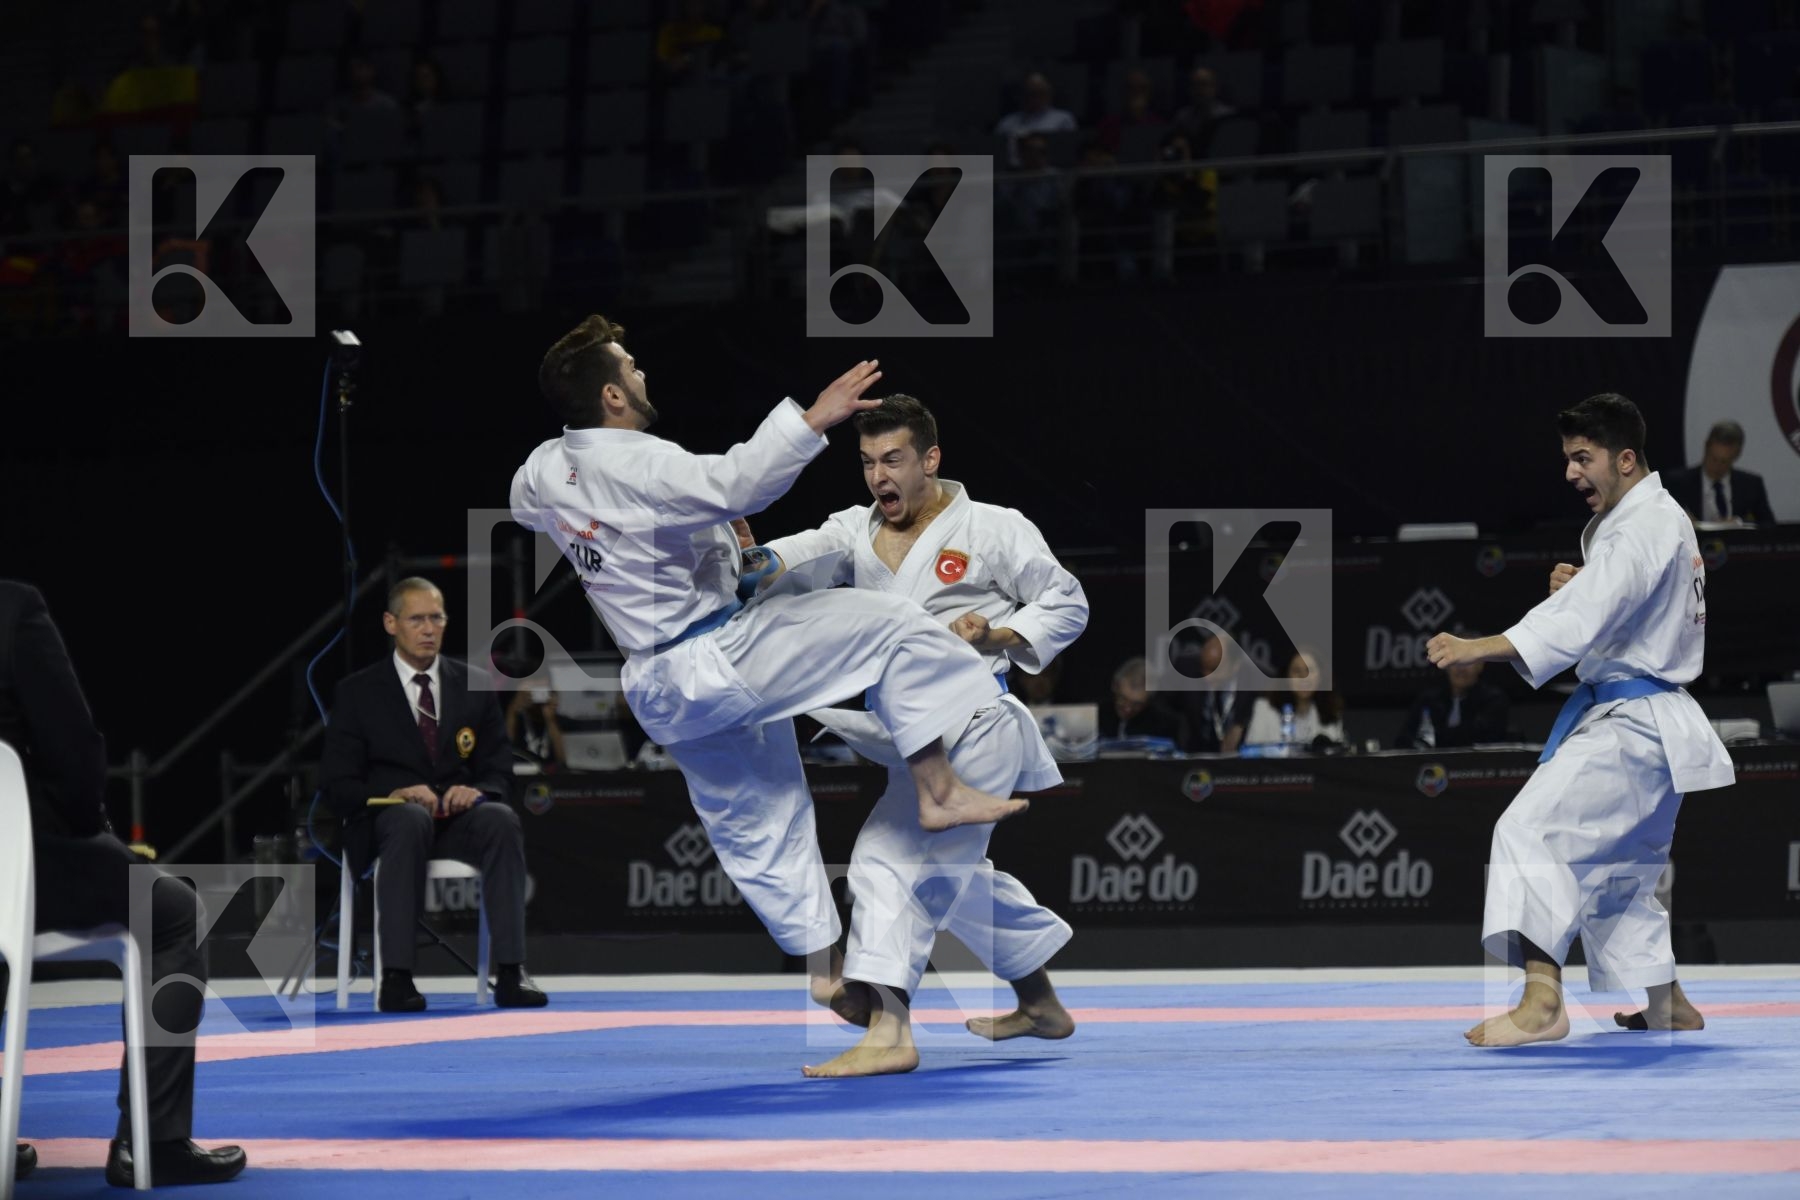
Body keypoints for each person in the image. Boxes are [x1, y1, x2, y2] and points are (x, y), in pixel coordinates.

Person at [510, 315, 1025, 1003]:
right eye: (629, 365)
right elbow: (737, 482)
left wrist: (710, 542)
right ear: (610, 395)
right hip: (720, 652)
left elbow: (535, 507)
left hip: (658, 686)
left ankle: (824, 973)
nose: (640, 372)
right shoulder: (640, 460)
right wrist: (814, 420)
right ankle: (937, 790)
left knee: (757, 821)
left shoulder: (544, 469)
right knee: (897, 624)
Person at [757, 393, 1088, 1077]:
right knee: (957, 880)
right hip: (911, 740)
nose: (880, 476)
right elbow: (794, 558)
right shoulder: (852, 531)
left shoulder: (994, 527)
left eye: (894, 459)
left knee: (890, 863)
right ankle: (1040, 1001)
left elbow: (1068, 600)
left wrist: (998, 632)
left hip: (978, 725)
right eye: (868, 461)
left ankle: (889, 1026)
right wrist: (749, 561)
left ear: (930, 459)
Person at [1425, 393, 1735, 1047]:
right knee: (1623, 874)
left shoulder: (1645, 524)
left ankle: (1542, 1001)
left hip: (1632, 723)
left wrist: (1483, 645)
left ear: (1626, 459)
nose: (1571, 473)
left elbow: (1592, 614)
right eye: (1568, 458)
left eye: (1582, 457)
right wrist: (1586, 589)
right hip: (1652, 723)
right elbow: (1617, 609)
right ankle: (1666, 1003)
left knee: (1529, 831)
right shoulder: (1647, 522)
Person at [0, 582, 246, 1186]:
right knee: (172, 909)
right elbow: (71, 746)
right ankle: (153, 1141)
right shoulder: (11, 609)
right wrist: (92, 831)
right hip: (18, 864)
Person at [318, 578, 548, 1012]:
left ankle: (513, 972)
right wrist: (397, 792)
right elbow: (337, 784)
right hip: (390, 823)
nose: (428, 629)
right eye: (416, 619)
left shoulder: (473, 684)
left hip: (457, 821)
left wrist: (477, 790)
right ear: (391, 623)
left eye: (436, 618)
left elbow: (499, 769)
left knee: (500, 818)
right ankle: (397, 978)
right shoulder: (357, 692)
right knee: (410, 818)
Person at [1222, 649, 1345, 753]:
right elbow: (1252, 754)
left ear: (1321, 677)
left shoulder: (1331, 712)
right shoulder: (1264, 709)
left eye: (1309, 671)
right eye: (1297, 671)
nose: (1303, 678)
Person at [1662, 420, 1777, 525]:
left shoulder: (1751, 485)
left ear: (1736, 456)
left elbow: (1768, 525)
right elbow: (1662, 521)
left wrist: (1738, 523)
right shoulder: (1677, 483)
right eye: (1713, 459)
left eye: (1724, 462)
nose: (1717, 466)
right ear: (1706, 448)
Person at [1393, 659, 1510, 749]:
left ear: (1480, 665)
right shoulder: (1429, 700)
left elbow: (1478, 735)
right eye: (1456, 662)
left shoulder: (1493, 699)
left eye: (1468, 662)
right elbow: (1404, 740)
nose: (1461, 669)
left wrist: (1434, 739)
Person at [1172, 629, 1252, 754]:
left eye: (1214, 669)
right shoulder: (1185, 670)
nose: (1206, 677)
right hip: (1193, 754)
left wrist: (1241, 724)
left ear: (1235, 665)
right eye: (1203, 667)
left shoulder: (1255, 683)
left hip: (1237, 761)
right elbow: (1163, 707)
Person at [994, 72, 1078, 166]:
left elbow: (1067, 156)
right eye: (1031, 93)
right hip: (1013, 174)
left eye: (1041, 92)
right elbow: (998, 155)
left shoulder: (1063, 119)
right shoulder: (1007, 122)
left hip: (1048, 174)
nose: (1035, 98)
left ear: (1049, 93)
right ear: (1022, 94)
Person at [1100, 656, 1184, 742]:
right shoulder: (1096, 715)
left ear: (1148, 701)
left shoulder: (1166, 725)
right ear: (1114, 686)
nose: (1128, 709)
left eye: (1137, 704)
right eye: (1123, 699)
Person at [505, 674, 567, 768]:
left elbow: (564, 760)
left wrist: (551, 720)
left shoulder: (561, 722)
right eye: (533, 690)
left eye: (542, 690)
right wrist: (513, 711)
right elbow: (503, 751)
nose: (537, 695)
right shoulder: (515, 720)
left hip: (555, 778)